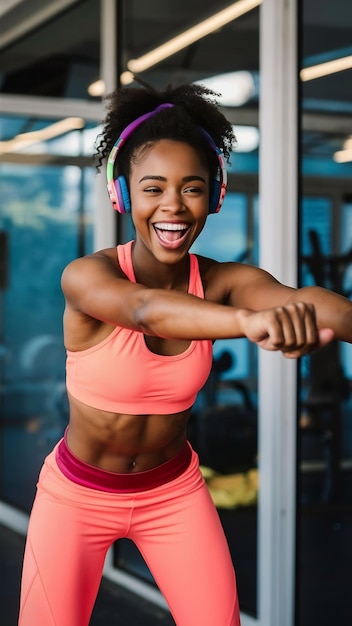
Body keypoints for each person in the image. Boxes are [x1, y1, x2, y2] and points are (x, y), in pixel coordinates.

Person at [18, 79, 352, 626]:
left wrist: (307, 316)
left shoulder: (224, 281)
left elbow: (306, 302)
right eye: (152, 188)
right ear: (122, 194)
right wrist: (249, 323)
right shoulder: (88, 276)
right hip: (75, 497)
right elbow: (145, 309)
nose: (172, 206)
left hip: (173, 494)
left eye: (192, 188)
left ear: (215, 195)